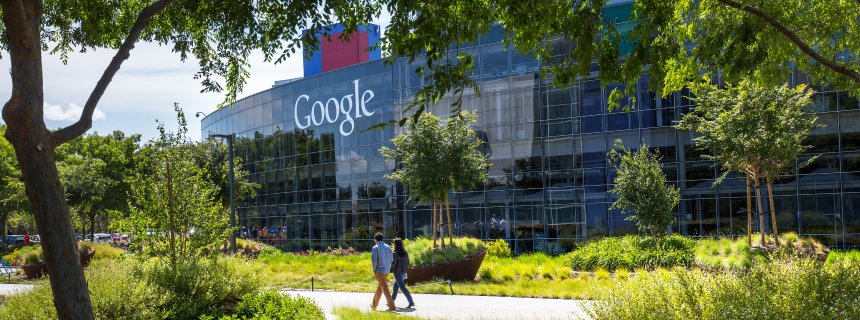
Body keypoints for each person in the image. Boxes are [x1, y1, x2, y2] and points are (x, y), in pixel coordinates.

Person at [370, 232, 396, 311]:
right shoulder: (388, 247)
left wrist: (374, 270)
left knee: (384, 287)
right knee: (381, 287)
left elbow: (374, 261)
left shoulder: (375, 247)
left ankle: (392, 305)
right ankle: (374, 304)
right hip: (387, 270)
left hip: (379, 271)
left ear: (375, 239)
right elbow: (391, 259)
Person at [390, 238, 415, 308]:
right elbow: (408, 262)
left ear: (396, 245)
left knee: (402, 288)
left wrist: (389, 269)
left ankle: (411, 302)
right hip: (404, 272)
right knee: (395, 288)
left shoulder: (395, 253)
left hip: (397, 272)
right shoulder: (405, 252)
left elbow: (393, 264)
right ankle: (391, 301)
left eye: (394, 243)